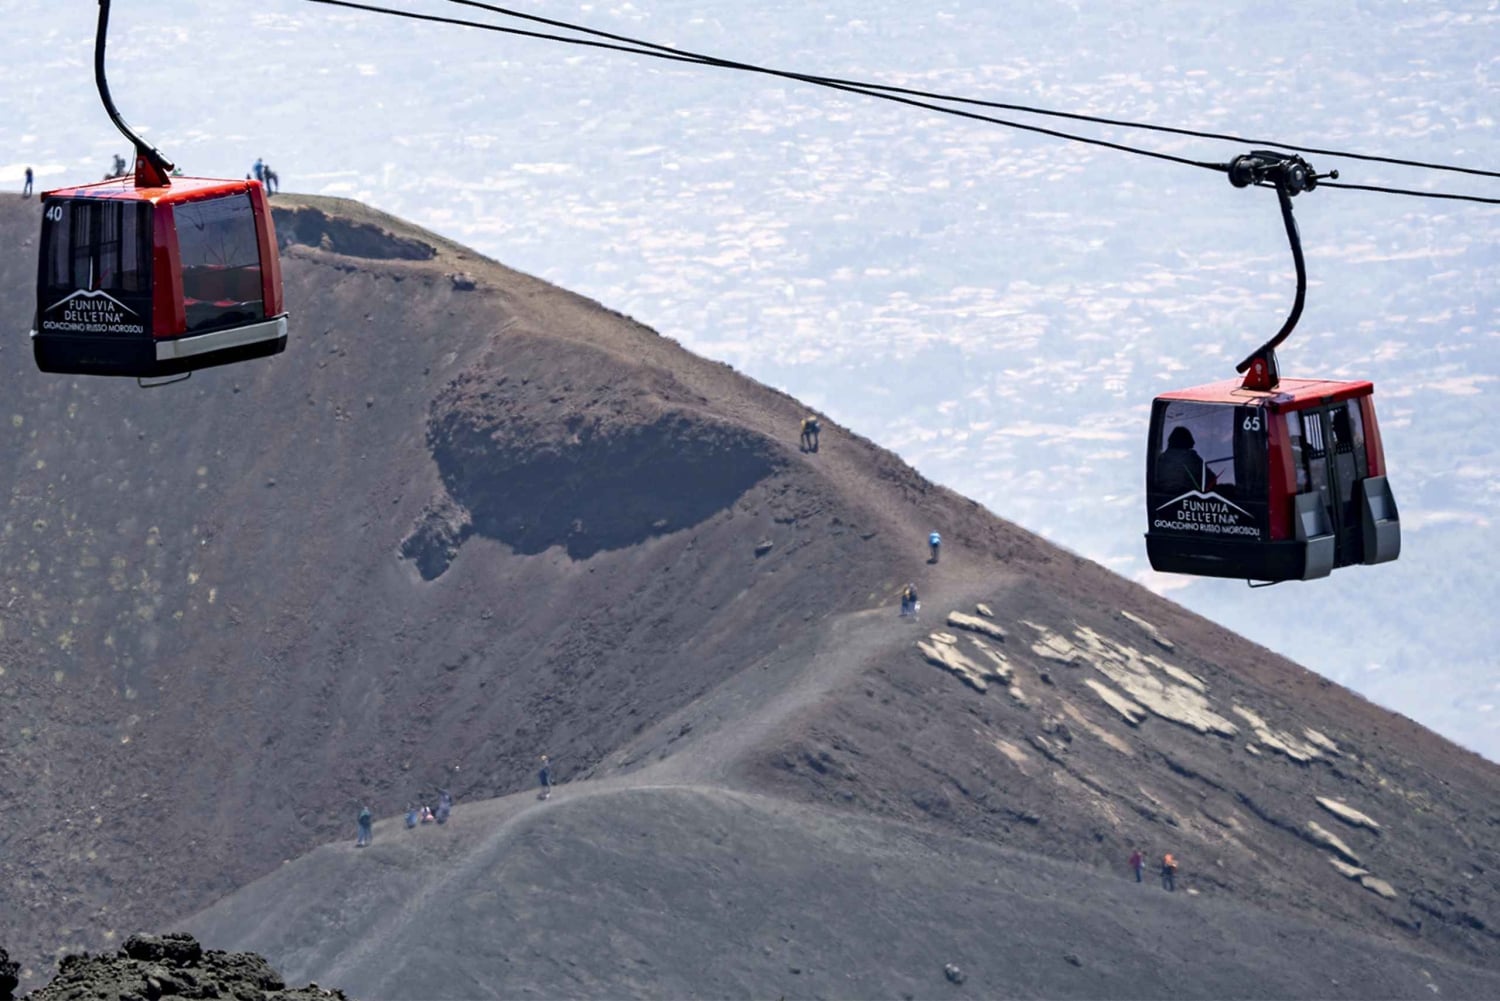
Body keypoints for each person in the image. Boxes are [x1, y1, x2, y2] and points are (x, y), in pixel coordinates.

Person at [1157, 426, 1213, 497]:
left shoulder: (1161, 458)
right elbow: (1210, 478)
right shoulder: (1190, 457)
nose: (1194, 442)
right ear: (1186, 440)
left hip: (1164, 497)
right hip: (1188, 497)